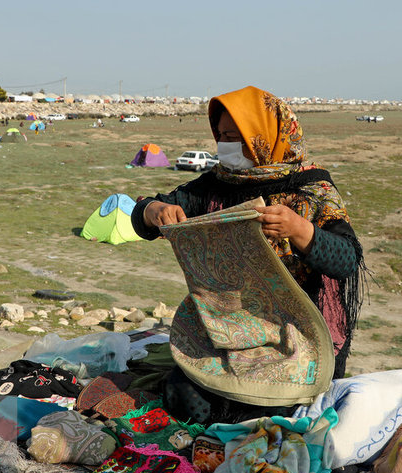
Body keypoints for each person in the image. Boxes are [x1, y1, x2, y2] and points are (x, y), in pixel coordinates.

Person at [132, 86, 365, 414]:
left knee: (268, 407)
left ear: (266, 135)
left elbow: (347, 260)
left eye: (238, 136)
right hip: (227, 327)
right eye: (222, 135)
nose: (227, 145)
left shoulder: (313, 190)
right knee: (182, 395)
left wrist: (301, 231)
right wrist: (152, 210)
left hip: (294, 333)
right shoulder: (215, 185)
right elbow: (144, 217)